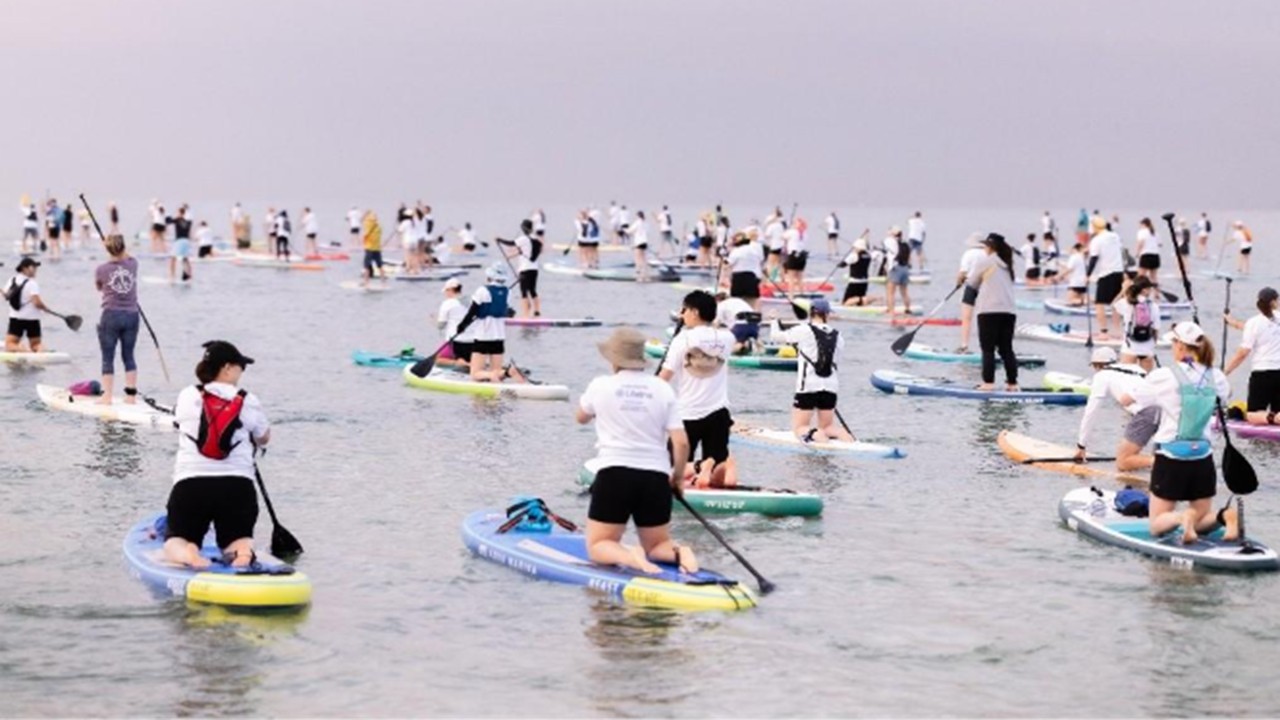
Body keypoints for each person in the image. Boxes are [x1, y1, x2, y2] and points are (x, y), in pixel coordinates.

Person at [576, 327, 696, 574]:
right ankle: (681, 552)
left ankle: (631, 557)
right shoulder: (663, 389)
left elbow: (580, 417)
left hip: (615, 474)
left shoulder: (601, 385)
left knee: (599, 544)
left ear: (613, 360)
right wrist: (677, 478)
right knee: (658, 545)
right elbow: (682, 443)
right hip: (655, 478)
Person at [1120, 321, 1236, 543]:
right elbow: (1225, 396)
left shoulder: (1164, 375)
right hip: (1203, 455)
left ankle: (1184, 517)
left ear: (1181, 346)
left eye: (1173, 343)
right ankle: (1225, 516)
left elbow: (1128, 399)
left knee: (1156, 525)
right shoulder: (1216, 376)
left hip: (1171, 455)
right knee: (1202, 521)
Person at [163, 340, 270, 569]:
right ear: (227, 368)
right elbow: (264, 438)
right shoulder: (248, 400)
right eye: (241, 366)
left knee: (176, 541)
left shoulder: (187, 395)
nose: (242, 372)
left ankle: (188, 552)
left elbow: (179, 423)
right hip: (237, 486)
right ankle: (241, 555)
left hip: (191, 485)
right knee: (238, 540)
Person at [659, 290, 736, 479]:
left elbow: (665, 377)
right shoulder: (728, 338)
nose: (681, 314)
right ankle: (713, 468)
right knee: (718, 470)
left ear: (694, 312)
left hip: (687, 414)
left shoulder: (682, 339)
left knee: (673, 470)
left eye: (684, 310)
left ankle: (701, 466)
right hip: (719, 413)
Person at [769, 299, 852, 443]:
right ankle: (845, 437)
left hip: (808, 387)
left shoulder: (804, 329)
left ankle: (817, 436)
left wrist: (774, 320)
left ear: (811, 313)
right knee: (828, 427)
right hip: (831, 387)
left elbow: (776, 336)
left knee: (799, 428)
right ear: (827, 314)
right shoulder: (839, 336)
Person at [1072, 347, 1155, 472]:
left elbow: (1091, 412)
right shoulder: (1137, 369)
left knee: (1122, 463)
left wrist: (1081, 445)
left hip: (1146, 414)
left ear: (1098, 365)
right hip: (1166, 410)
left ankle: (1160, 462)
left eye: (1095, 367)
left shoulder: (1102, 375)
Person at [967, 233, 1019, 391]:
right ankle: (1012, 383)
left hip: (989, 310)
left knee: (988, 349)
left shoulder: (985, 261)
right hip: (1009, 311)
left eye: (985, 246)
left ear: (991, 247)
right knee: (1006, 349)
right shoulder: (1007, 264)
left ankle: (988, 383)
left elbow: (972, 283)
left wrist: (963, 278)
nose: (984, 249)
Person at [94, 234, 141, 403]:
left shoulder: (101, 269)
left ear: (107, 249)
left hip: (111, 315)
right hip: (132, 315)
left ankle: (106, 397)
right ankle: (130, 396)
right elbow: (128, 255)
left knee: (108, 357)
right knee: (129, 356)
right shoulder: (133, 264)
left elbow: (99, 287)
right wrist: (118, 249)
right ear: (123, 247)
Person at [1223, 287, 1280, 425]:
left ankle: (1271, 420)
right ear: (1275, 301)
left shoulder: (1254, 323)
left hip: (1262, 375)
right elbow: (1262, 328)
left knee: (1252, 415)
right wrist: (1232, 322)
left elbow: (1242, 353)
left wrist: (1225, 372)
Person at [458, 265, 512, 382]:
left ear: (490, 277)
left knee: (475, 374)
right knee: (497, 370)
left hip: (483, 335)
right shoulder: (508, 292)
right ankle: (508, 372)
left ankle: (491, 376)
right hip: (499, 336)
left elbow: (472, 312)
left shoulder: (482, 290)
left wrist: (462, 326)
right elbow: (505, 310)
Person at [5, 258, 53, 353]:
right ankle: (40, 350)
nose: (35, 269)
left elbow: (6, 296)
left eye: (36, 267)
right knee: (35, 344)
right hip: (33, 319)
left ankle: (22, 348)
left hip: (16, 318)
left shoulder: (12, 280)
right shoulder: (32, 283)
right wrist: (46, 309)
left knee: (10, 344)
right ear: (24, 268)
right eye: (33, 267)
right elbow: (37, 302)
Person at [1114, 275, 1161, 371]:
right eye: (1149, 288)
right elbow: (1156, 329)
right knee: (1146, 381)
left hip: (1129, 347)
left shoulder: (1127, 303)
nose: (1151, 290)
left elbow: (1114, 305)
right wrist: (1152, 345)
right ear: (1145, 290)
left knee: (1126, 379)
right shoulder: (1154, 306)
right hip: (1147, 347)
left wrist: (1123, 290)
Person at [1088, 221, 1126, 338]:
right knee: (1117, 303)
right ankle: (1117, 331)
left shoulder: (1096, 240)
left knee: (1099, 303)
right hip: (1119, 272)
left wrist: (1087, 274)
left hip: (1106, 273)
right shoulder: (1115, 236)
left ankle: (1103, 332)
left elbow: (1094, 259)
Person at [499, 219, 541, 317]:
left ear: (523, 228)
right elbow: (524, 252)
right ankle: (537, 311)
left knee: (523, 292)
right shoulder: (535, 240)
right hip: (534, 269)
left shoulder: (523, 239)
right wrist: (511, 256)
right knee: (533, 290)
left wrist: (499, 239)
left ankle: (525, 315)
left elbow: (510, 243)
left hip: (525, 269)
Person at [955, 233, 987, 352]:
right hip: (986, 288)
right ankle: (989, 346)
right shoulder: (989, 254)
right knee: (985, 318)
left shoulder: (968, 254)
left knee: (966, 318)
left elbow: (962, 273)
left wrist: (958, 283)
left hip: (971, 287)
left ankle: (964, 346)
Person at [436, 277, 474, 369]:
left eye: (446, 291)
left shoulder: (447, 303)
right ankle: (470, 363)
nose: (445, 294)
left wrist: (434, 321)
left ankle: (459, 363)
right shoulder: (472, 301)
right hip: (474, 341)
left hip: (456, 341)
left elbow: (440, 326)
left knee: (437, 360)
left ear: (451, 290)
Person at [714, 288, 761, 355]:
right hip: (755, 324)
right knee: (752, 340)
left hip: (741, 325)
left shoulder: (720, 305)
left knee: (734, 344)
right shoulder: (738, 300)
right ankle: (753, 346)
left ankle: (724, 355)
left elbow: (715, 324)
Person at [726, 231, 764, 310]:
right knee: (752, 300)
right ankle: (753, 316)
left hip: (738, 277)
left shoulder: (736, 251)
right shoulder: (754, 250)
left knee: (736, 301)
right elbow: (760, 262)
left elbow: (728, 264)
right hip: (752, 277)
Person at [839, 233, 875, 308]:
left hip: (854, 282)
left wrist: (839, 263)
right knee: (859, 303)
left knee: (845, 302)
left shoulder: (854, 255)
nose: (854, 248)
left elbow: (842, 265)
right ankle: (864, 299)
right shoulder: (869, 255)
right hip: (865, 281)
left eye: (855, 247)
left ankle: (867, 299)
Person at [883, 226, 912, 316]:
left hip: (895, 268)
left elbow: (886, 243)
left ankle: (891, 311)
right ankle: (907, 309)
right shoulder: (905, 244)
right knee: (904, 291)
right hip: (905, 268)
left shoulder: (890, 242)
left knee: (890, 291)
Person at [166, 206, 194, 283]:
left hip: (179, 241)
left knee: (173, 259)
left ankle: (172, 277)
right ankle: (190, 275)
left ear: (179, 212)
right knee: (185, 259)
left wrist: (168, 214)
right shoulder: (188, 222)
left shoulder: (177, 220)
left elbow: (167, 221)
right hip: (186, 241)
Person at [360, 210, 387, 287]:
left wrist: (365, 213)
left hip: (369, 249)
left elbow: (361, 220)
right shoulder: (379, 227)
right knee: (380, 266)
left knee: (366, 266)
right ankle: (383, 282)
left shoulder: (368, 224)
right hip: (377, 249)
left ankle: (366, 282)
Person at [1134, 217, 1161, 284]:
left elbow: (1141, 243)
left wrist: (1137, 252)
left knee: (1141, 276)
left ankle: (1138, 292)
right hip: (1156, 255)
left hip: (1146, 255)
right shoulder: (1155, 232)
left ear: (1143, 224)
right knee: (1154, 277)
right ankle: (1156, 293)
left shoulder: (1142, 232)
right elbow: (1160, 244)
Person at [627, 210, 651, 282]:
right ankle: (646, 274)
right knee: (644, 259)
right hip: (645, 242)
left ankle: (638, 274)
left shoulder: (637, 222)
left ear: (637, 216)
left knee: (637, 259)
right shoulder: (646, 223)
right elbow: (647, 231)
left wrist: (625, 230)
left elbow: (629, 231)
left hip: (639, 243)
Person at [1063, 241, 1088, 306]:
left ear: (1075, 249)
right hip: (1083, 283)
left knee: (1070, 300)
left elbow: (1069, 269)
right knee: (1079, 298)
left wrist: (1058, 277)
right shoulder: (1083, 258)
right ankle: (1087, 301)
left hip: (1075, 283)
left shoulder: (1074, 257)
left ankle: (1085, 302)